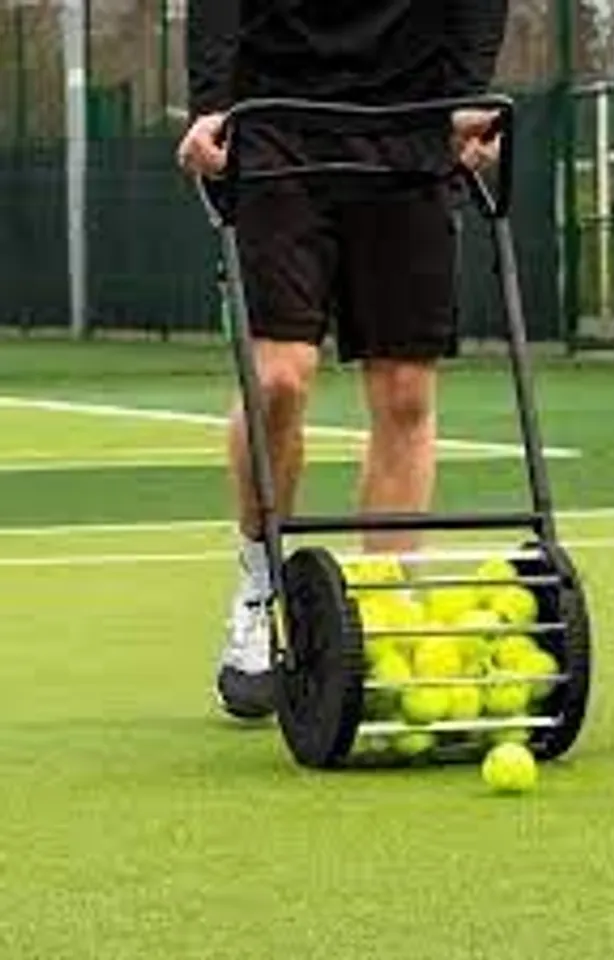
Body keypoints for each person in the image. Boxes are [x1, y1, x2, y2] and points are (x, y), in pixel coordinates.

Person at [177, 0, 508, 720]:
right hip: (275, 124)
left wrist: (469, 96)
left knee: (406, 391)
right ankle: (262, 584)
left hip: (410, 127)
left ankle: (385, 614)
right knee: (279, 377)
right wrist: (210, 107)